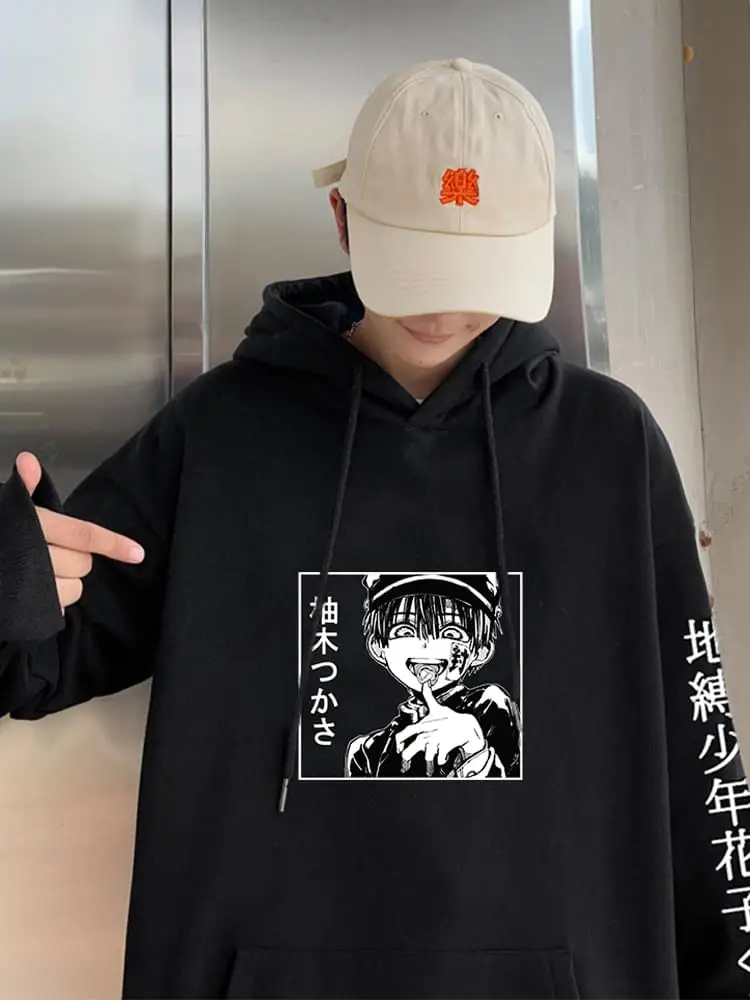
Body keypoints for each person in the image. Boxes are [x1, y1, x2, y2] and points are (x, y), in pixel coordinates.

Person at [0, 56, 747, 999]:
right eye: (416, 264)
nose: (443, 308)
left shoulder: (609, 445)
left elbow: (697, 750)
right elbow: (32, 664)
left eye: (475, 270)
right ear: (343, 217)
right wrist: (11, 576)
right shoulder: (220, 433)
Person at [345, 572, 521, 778]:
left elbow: (517, 790)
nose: (426, 645)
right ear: (378, 647)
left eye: (451, 633)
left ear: (481, 651)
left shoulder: (492, 708)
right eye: (405, 631)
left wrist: (475, 750)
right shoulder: (367, 751)